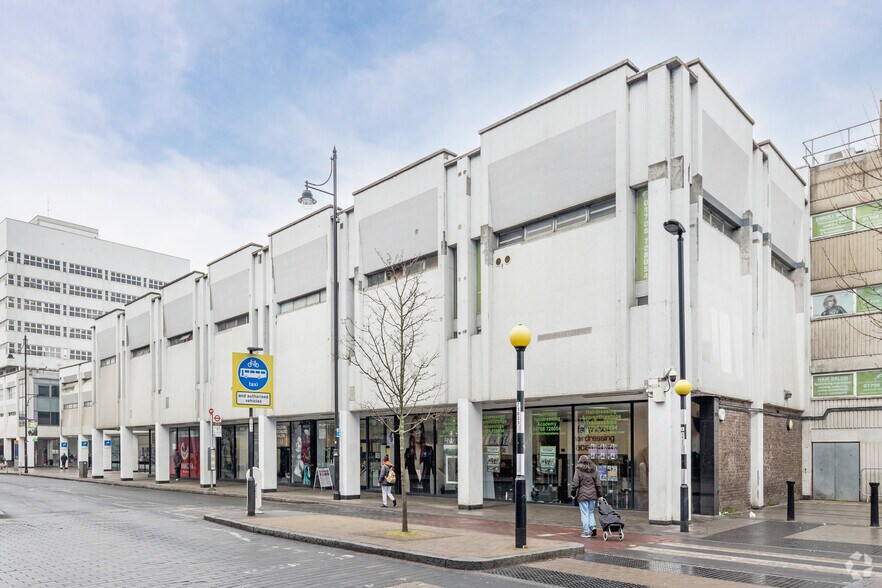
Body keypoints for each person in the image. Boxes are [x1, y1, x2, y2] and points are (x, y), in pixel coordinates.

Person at [570, 454, 603, 538]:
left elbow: (575, 483)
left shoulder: (578, 470)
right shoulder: (594, 470)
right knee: (591, 511)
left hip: (582, 495)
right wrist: (600, 495)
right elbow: (598, 484)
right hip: (593, 495)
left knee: (585, 513)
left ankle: (586, 532)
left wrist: (573, 493)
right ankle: (593, 527)